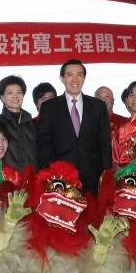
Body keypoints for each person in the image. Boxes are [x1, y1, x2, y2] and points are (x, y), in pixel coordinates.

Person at [37, 59, 111, 194]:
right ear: (62, 78)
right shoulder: (49, 107)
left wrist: (106, 173)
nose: (75, 79)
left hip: (93, 177)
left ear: (84, 78)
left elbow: (105, 141)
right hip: (60, 179)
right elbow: (44, 143)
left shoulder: (98, 106)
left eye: (79, 74)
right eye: (70, 75)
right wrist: (49, 173)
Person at [0, 75, 36, 171]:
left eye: (19, 92)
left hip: (32, 176)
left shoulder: (32, 124)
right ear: (2, 97)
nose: (15, 96)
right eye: (10, 93)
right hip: (7, 177)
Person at [95, 86, 129, 165]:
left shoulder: (124, 122)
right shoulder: (85, 123)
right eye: (99, 97)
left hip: (119, 168)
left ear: (113, 101)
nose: (103, 100)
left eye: (107, 97)